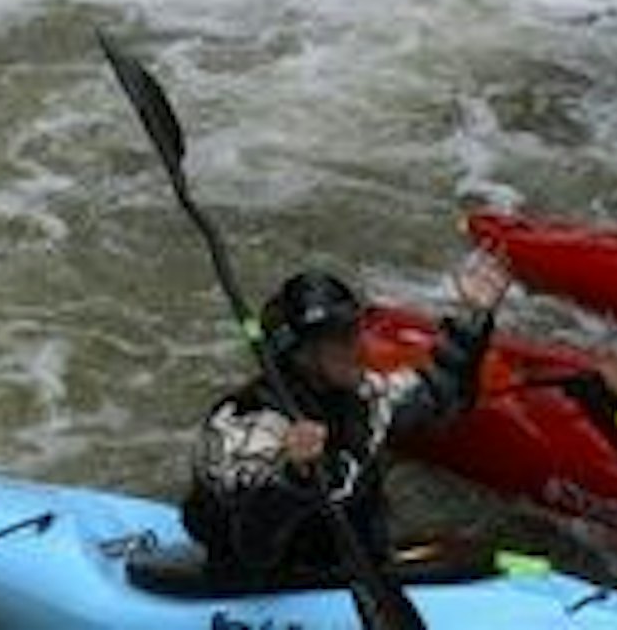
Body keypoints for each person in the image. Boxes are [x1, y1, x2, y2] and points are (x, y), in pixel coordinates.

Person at [182, 248, 511, 590]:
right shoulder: (242, 428)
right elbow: (252, 548)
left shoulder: (363, 399)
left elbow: (440, 393)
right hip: (261, 583)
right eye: (340, 338)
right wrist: (294, 476)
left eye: (355, 329)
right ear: (302, 355)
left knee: (505, 561)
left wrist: (474, 316)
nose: (358, 345)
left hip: (346, 563)